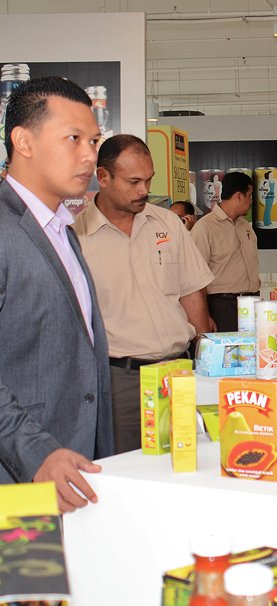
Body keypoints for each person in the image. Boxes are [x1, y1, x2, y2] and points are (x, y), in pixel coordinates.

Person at [0, 76, 113, 513]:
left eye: (93, 140)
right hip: (21, 481)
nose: (89, 155)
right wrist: (35, 452)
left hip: (75, 471)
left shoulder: (61, 229)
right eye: (73, 139)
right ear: (23, 141)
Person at [75, 134, 214, 454]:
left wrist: (204, 352)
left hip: (180, 371)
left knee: (187, 463)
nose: (144, 191)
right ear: (103, 177)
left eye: (148, 181)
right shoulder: (77, 236)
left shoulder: (167, 223)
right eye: (134, 181)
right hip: (121, 381)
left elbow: (192, 288)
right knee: (127, 467)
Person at [191, 171, 260, 332]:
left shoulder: (245, 226)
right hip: (222, 307)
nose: (251, 201)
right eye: (250, 196)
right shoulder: (205, 227)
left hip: (250, 304)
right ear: (238, 196)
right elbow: (194, 278)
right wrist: (204, 316)